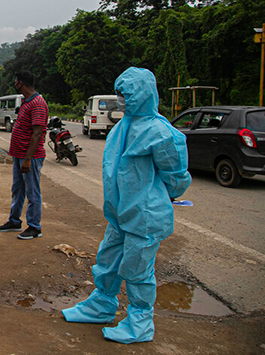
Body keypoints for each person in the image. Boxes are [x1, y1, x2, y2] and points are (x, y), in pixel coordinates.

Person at [62, 67, 191, 344]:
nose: (121, 99)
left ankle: (140, 321)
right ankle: (102, 305)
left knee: (137, 270)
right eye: (119, 93)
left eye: (126, 94)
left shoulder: (160, 132)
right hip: (119, 213)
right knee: (108, 260)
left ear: (143, 94)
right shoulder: (122, 127)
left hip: (145, 215)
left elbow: (177, 178)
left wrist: (154, 198)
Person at [0, 70, 49, 240]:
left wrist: (27, 158)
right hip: (19, 155)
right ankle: (14, 220)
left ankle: (34, 227)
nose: (15, 84)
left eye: (16, 81)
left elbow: (37, 133)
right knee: (18, 190)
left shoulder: (38, 103)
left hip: (29, 157)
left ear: (20, 83)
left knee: (33, 192)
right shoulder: (27, 102)